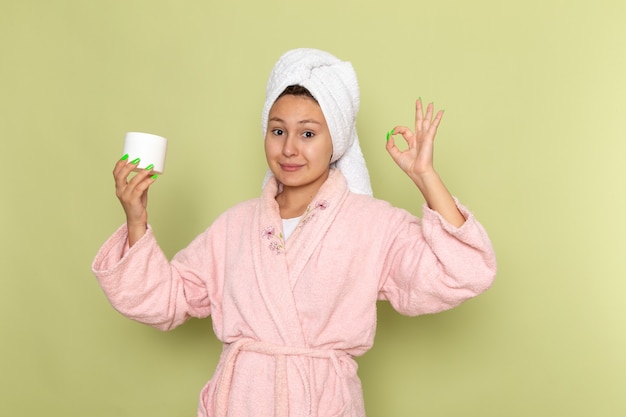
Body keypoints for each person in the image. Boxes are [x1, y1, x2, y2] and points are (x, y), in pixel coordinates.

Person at [92, 48, 496, 417]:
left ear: (334, 140)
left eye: (307, 133)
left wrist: (425, 177)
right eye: (277, 130)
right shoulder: (235, 225)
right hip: (240, 401)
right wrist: (136, 219)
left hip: (321, 402)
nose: (288, 149)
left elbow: (465, 271)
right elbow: (161, 301)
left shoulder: (372, 224)